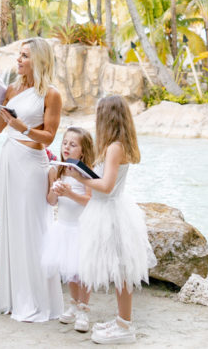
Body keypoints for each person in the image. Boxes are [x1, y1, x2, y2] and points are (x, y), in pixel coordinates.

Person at [70, 95, 156, 345]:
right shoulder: (112, 146)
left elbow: (106, 186)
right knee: (119, 270)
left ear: (107, 117)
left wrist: (80, 178)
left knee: (122, 271)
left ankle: (125, 325)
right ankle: (121, 319)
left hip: (111, 213)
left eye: (99, 114)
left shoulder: (114, 147)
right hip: (106, 210)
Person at [0, 37, 64, 322]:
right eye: (18, 55)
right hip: (9, 159)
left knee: (34, 229)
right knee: (12, 226)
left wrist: (23, 128)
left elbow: (49, 136)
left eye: (24, 56)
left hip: (33, 164)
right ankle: (14, 296)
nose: (18, 60)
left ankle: (37, 299)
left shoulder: (51, 94)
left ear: (40, 60)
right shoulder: (10, 90)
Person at [43, 127, 95, 333]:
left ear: (82, 151)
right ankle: (73, 304)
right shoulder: (58, 170)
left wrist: (70, 194)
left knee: (83, 272)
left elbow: (90, 201)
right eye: (65, 143)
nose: (67, 147)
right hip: (63, 227)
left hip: (80, 228)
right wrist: (56, 191)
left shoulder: (86, 173)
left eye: (73, 145)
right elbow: (51, 201)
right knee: (70, 270)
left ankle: (84, 308)